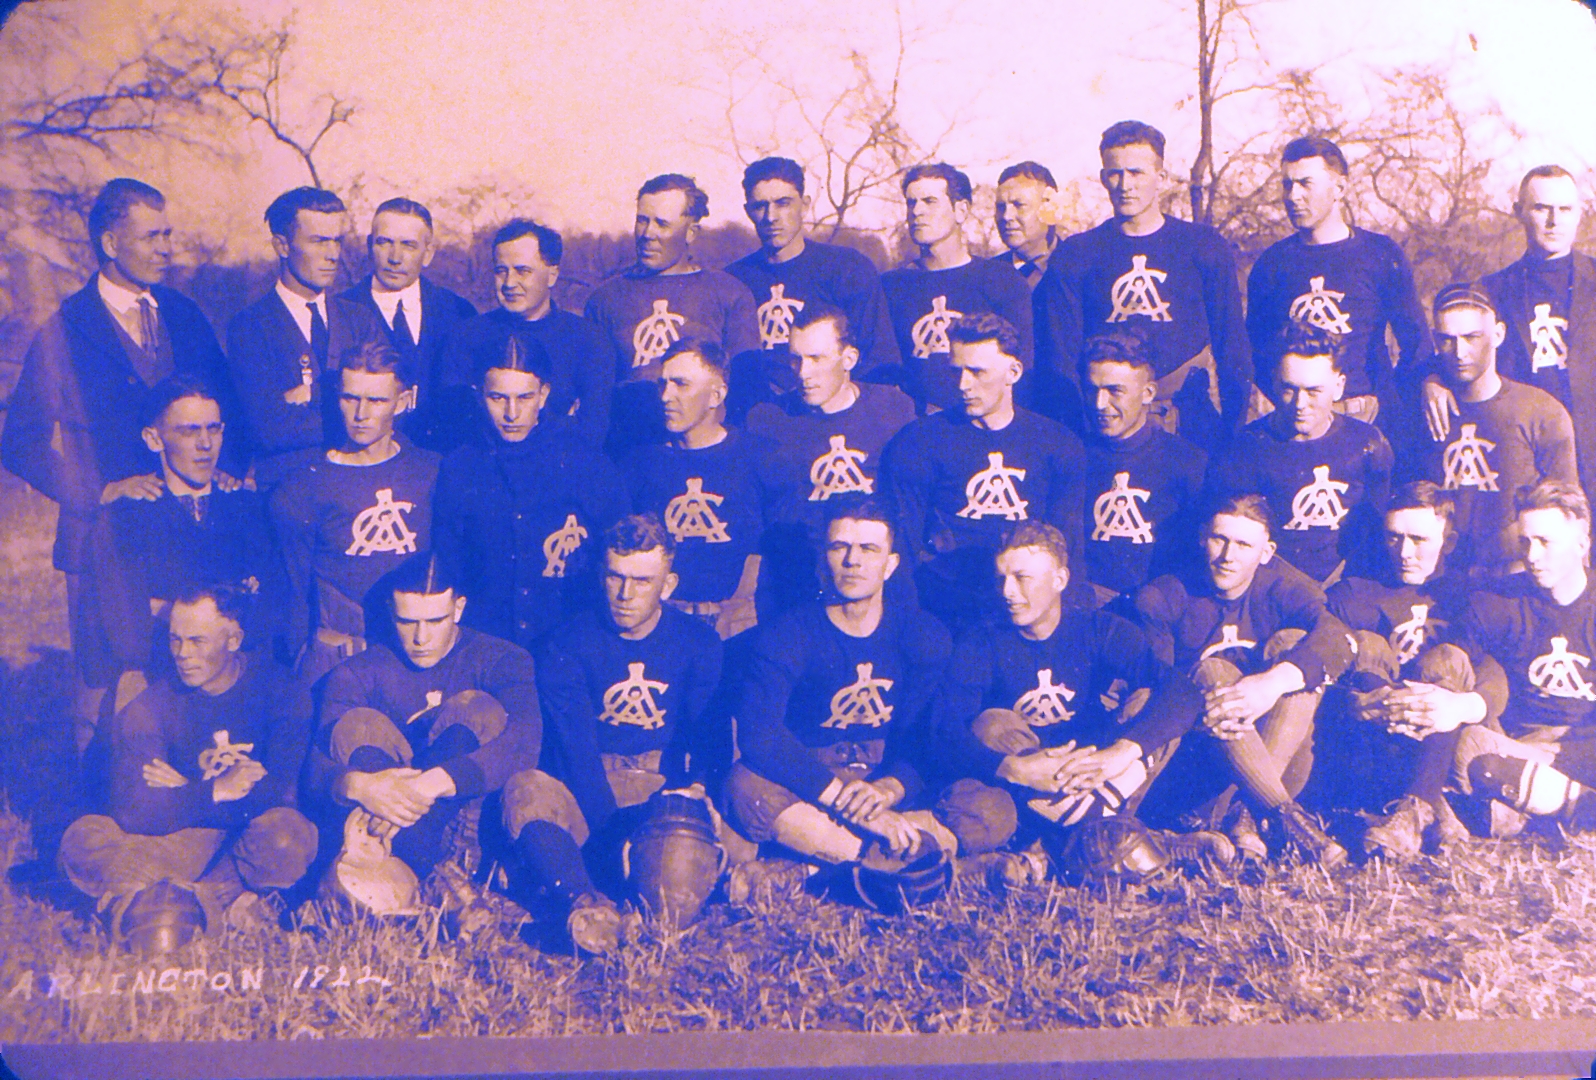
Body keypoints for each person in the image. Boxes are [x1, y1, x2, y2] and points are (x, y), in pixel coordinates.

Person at [1, 178, 232, 740]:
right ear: (110, 243)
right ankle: (93, 814)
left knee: (187, 674)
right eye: (151, 236)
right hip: (100, 534)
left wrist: (223, 470)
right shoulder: (67, 327)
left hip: (186, 528)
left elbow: (229, 404)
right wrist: (96, 490)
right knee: (104, 683)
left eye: (168, 234)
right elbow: (21, 438)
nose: (166, 248)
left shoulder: (183, 313)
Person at [726, 498, 1011, 881]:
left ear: (890, 564)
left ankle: (826, 864)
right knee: (744, 787)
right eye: (840, 548)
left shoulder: (922, 634)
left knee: (994, 807)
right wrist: (849, 804)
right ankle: (907, 860)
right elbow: (760, 735)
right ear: (822, 558)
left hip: (884, 775)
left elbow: (927, 736)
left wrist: (892, 789)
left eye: (868, 549)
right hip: (814, 778)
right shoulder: (788, 634)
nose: (852, 561)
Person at [934, 522, 1220, 864]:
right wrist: (1014, 769)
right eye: (1001, 578)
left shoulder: (1096, 629)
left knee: (1150, 702)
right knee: (992, 723)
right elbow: (943, 731)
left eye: (1022, 578)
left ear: (1059, 580)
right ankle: (1125, 839)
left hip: (1094, 771)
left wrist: (1121, 752)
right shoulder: (981, 642)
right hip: (1027, 784)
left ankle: (1079, 839)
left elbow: (1183, 691)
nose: (1007, 591)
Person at [507, 515, 728, 945]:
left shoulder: (698, 642)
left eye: (643, 581)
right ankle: (586, 903)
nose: (625, 595)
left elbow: (710, 738)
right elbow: (577, 754)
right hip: (591, 786)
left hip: (661, 784)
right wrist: (614, 840)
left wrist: (697, 792)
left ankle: (655, 893)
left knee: (730, 823)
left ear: (668, 585)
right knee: (527, 791)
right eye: (615, 577)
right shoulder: (566, 643)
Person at [59, 586, 316, 952]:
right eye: (175, 640)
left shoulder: (281, 691)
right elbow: (131, 808)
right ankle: (220, 903)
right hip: (174, 838)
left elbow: (277, 792)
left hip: (235, 841)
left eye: (197, 641)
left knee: (286, 836)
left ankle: (149, 904)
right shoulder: (152, 703)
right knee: (83, 837)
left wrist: (180, 789)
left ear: (234, 639)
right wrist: (213, 789)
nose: (183, 654)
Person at [303, 554, 541, 927]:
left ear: (458, 609)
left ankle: (420, 871)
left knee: (476, 706)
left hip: (465, 830)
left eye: (435, 620)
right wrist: (361, 784)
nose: (421, 637)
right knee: (358, 724)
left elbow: (524, 743)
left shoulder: (501, 658)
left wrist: (428, 785)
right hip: (378, 835)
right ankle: (430, 879)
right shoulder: (357, 672)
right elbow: (314, 769)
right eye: (407, 621)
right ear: (390, 612)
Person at [1135, 495, 1356, 866]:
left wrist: (1270, 684)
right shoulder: (1166, 596)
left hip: (1281, 754)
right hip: (1197, 760)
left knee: (1294, 645)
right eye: (1219, 539)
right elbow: (1159, 692)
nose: (1228, 556)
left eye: (1243, 545)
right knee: (1213, 671)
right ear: (1202, 538)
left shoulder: (1280, 588)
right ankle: (1282, 818)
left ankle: (1247, 814)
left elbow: (1340, 639)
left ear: (1267, 552)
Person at [1034, 121, 1250, 445]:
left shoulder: (1202, 246)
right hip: (1104, 427)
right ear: (1103, 177)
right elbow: (1061, 360)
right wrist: (1077, 434)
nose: (1125, 185)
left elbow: (1231, 345)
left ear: (1160, 178)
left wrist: (1234, 431)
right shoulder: (1077, 254)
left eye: (1136, 173)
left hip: (1189, 423)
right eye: (1115, 173)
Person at [881, 313, 1085, 631]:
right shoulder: (920, 441)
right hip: (947, 605)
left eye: (977, 372)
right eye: (957, 371)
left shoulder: (1056, 444)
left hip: (1026, 605)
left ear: (1013, 371)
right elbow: (903, 547)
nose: (963, 385)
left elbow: (1067, 545)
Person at [432, 333, 628, 651]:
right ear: (479, 394)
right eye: (498, 398)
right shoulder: (460, 466)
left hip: (568, 640)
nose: (511, 414)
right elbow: (449, 560)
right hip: (487, 642)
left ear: (544, 394)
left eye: (524, 398)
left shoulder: (584, 460)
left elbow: (616, 546)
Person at [269, 341, 440, 684]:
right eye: (350, 398)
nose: (361, 415)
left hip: (420, 657)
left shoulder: (431, 472)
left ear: (403, 402)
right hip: (341, 663)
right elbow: (292, 594)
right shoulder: (303, 486)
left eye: (376, 401)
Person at [102, 375, 281, 699]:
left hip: (241, 682)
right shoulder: (126, 518)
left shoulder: (247, 509)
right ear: (154, 439)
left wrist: (167, 607)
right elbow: (125, 630)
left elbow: (270, 608)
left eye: (213, 429)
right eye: (188, 431)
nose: (205, 444)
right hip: (162, 684)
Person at [1425, 166, 1596, 500]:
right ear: (1519, 212)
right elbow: (1457, 345)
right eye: (1541, 208)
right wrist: (1433, 379)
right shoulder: (1492, 290)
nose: (1553, 220)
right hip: (1524, 446)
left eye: (1564, 209)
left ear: (1580, 214)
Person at [1328, 483, 1478, 857]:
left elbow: (1491, 672)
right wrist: (1358, 700)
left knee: (1449, 657)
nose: (1405, 553)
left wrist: (1460, 703)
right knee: (1368, 642)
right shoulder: (1355, 591)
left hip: (1446, 732)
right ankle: (1433, 804)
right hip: (1374, 737)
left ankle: (1415, 809)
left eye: (1419, 539)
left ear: (1450, 541)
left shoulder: (1466, 594)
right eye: (1394, 538)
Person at [1246, 136, 1431, 428]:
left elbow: (1416, 342)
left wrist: (1390, 402)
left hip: (1370, 419)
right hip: (1298, 424)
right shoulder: (1272, 265)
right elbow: (1257, 353)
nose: (1293, 196)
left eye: (1305, 183)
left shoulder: (1379, 254)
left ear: (1340, 188)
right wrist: (1296, 408)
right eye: (1287, 184)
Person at [1446, 482, 1596, 837]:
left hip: (1583, 746)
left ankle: (1533, 803)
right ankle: (1567, 805)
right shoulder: (1498, 601)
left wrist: (1560, 754)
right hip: (1514, 747)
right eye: (1526, 542)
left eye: (1545, 542)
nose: (1532, 555)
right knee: (1469, 749)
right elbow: (1462, 668)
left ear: (1582, 543)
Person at [746, 303, 916, 615]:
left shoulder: (893, 410)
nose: (803, 373)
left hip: (872, 573)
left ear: (848, 358)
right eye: (796, 359)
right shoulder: (770, 421)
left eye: (816, 359)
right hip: (800, 574)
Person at [1405, 284, 1576, 574]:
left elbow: (1569, 510)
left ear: (1498, 334)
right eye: (1447, 340)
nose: (1459, 352)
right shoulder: (1421, 411)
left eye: (1472, 337)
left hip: (1514, 573)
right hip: (1441, 575)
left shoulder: (1540, 411)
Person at [584, 174, 759, 452]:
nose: (647, 234)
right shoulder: (606, 299)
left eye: (662, 224)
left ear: (691, 232)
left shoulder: (728, 293)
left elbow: (746, 389)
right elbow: (595, 394)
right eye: (642, 220)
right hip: (632, 451)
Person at [224, 187, 383, 488]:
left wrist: (310, 395)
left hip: (358, 488)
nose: (333, 254)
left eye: (337, 241)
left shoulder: (360, 318)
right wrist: (350, 408)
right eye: (318, 241)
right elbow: (268, 429)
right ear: (282, 245)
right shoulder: (249, 327)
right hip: (289, 492)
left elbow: (388, 408)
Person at [1216, 322, 1393, 585]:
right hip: (1272, 584)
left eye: (1313, 391)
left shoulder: (1367, 443)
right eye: (1289, 389)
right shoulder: (1247, 447)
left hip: (1347, 583)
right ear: (1275, 382)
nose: (1300, 404)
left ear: (1339, 386)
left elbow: (1378, 531)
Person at [622, 338, 775, 640]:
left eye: (681, 384)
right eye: (663, 384)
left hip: (741, 632)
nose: (666, 396)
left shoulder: (761, 458)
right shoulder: (638, 464)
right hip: (663, 631)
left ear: (716, 394)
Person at [440, 219, 615, 449]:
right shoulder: (467, 336)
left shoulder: (588, 340)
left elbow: (592, 430)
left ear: (552, 275)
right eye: (501, 271)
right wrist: (562, 421)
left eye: (522, 271)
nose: (510, 283)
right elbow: (456, 425)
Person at [726, 156, 899, 384]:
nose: (771, 217)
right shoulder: (732, 280)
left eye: (783, 203)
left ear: (804, 205)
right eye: (760, 206)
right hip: (759, 414)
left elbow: (877, 361)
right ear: (748, 211)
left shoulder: (846, 269)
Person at [880, 163, 1034, 411]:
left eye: (930, 201)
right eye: (911, 203)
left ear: (961, 210)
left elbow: (1022, 366)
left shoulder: (1001, 281)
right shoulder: (891, 287)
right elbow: (885, 373)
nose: (917, 211)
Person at [1079, 328, 1207, 601]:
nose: (1100, 404)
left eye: (1115, 391)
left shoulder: (1188, 462)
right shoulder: (1073, 454)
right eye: (1092, 390)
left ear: (1148, 393)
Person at [340, 198, 477, 452]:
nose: (395, 257)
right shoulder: (341, 312)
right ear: (370, 245)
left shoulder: (458, 312)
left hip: (440, 462)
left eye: (408, 246)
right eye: (385, 242)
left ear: (428, 254)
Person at [992, 161, 1063, 289]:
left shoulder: (1079, 268)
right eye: (1001, 207)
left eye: (1019, 205)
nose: (1006, 216)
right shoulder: (988, 276)